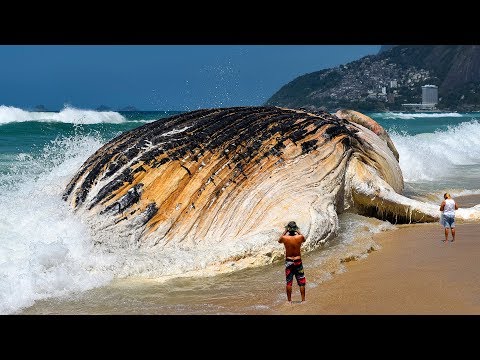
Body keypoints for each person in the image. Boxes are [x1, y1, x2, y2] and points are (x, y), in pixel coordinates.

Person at [278, 221, 306, 302]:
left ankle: (289, 301)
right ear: (295, 229)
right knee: (301, 281)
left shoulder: (285, 238)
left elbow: (279, 241)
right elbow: (304, 239)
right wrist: (298, 231)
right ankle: (303, 300)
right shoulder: (299, 237)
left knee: (289, 282)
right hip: (298, 262)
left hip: (289, 262)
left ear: (288, 229)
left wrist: (285, 231)